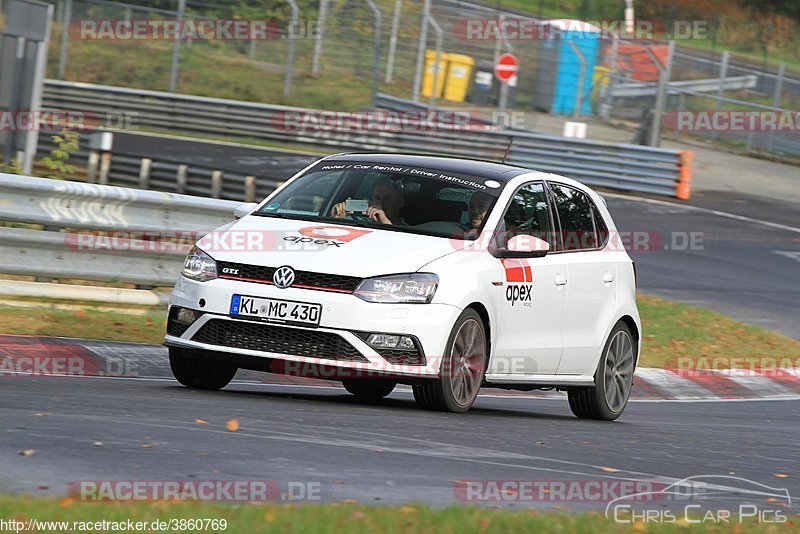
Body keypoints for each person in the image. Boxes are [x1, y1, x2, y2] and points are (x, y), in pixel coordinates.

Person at [331, 177, 405, 225]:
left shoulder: (410, 231)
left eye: (388, 198)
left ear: (401, 202)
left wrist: (384, 221)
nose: (381, 203)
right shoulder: (356, 222)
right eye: (377, 198)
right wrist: (337, 219)